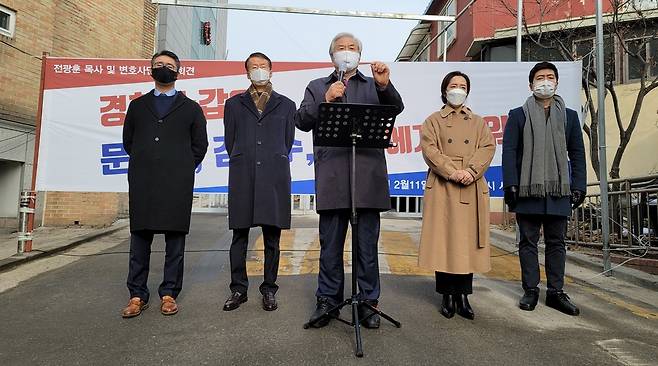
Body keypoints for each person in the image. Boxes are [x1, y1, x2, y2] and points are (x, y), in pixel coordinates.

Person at [295, 32, 404, 329]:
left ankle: (368, 302)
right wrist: (326, 100)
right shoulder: (317, 86)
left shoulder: (374, 85)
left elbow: (396, 108)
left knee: (367, 246)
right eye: (341, 48)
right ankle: (328, 300)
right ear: (332, 56)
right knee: (330, 245)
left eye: (352, 48)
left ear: (360, 54)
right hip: (332, 177)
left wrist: (385, 85)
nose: (347, 52)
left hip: (367, 178)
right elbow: (302, 120)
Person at [121, 50, 209, 318]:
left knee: (175, 243)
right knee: (139, 241)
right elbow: (129, 142)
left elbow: (200, 145)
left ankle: (169, 293)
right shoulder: (137, 106)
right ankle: (137, 294)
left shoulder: (191, 108)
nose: (163, 68)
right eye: (158, 65)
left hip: (177, 183)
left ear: (178, 71)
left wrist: (181, 165)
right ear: (151, 70)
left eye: (169, 65)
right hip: (143, 180)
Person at [502, 61, 586, 316]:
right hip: (528, 189)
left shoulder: (570, 116)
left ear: (557, 82)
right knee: (527, 241)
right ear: (531, 84)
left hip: (558, 190)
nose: (545, 81)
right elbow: (510, 152)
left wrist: (579, 185)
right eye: (540, 77)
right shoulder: (518, 114)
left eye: (550, 77)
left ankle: (556, 292)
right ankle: (530, 289)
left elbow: (577, 153)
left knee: (556, 242)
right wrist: (511, 184)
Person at [417, 71, 495, 320]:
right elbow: (430, 151)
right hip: (443, 185)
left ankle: (463, 295)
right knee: (444, 241)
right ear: (444, 90)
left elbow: (487, 147)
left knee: (466, 243)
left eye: (462, 86)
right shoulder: (432, 121)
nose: (458, 90)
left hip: (471, 185)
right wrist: (452, 172)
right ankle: (446, 295)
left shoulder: (478, 122)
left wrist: (471, 171)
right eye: (453, 85)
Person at [222, 52, 296, 312]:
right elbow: (230, 141)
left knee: (272, 238)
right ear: (247, 73)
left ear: (271, 71)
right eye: (254, 67)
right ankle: (238, 289)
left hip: (274, 176)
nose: (259, 70)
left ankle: (269, 289)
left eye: (263, 66)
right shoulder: (233, 104)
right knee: (239, 235)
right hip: (243, 174)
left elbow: (287, 141)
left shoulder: (286, 105)